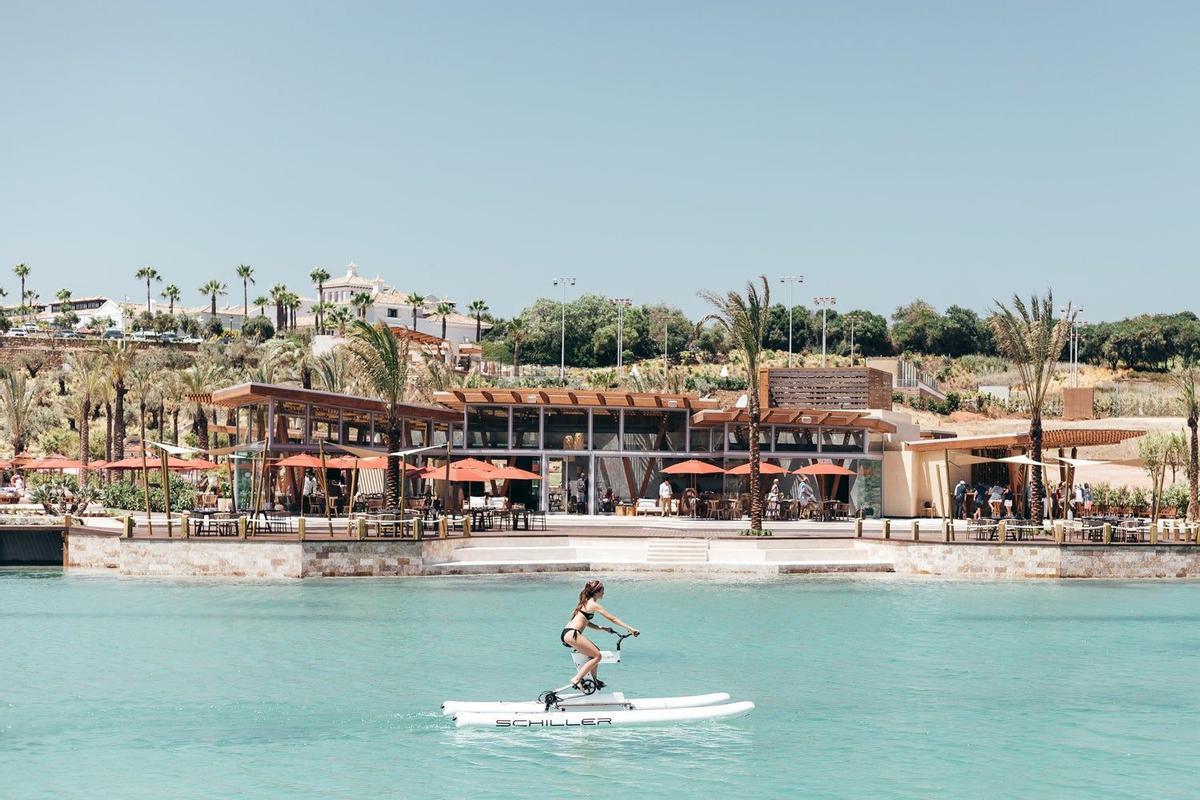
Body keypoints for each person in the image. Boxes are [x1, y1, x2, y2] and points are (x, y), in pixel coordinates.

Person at [561, 580, 639, 692]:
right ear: (597, 591)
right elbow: (613, 619)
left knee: (596, 652)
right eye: (603, 590)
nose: (604, 593)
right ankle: (577, 679)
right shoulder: (593, 604)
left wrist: (603, 628)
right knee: (598, 656)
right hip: (572, 634)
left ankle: (593, 680)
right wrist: (630, 629)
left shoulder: (585, 602)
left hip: (568, 633)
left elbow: (585, 622)